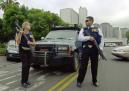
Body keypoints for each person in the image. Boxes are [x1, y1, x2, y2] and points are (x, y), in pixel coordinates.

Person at [77, 16, 104, 87]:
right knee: (83, 66)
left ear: (92, 21)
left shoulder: (97, 29)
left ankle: (94, 81)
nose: (86, 22)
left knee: (94, 66)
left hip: (95, 49)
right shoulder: (83, 29)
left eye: (87, 21)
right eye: (85, 21)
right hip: (85, 49)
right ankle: (79, 81)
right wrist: (88, 37)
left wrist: (100, 48)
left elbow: (101, 39)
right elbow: (80, 38)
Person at [16, 21, 35, 88]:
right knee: (24, 66)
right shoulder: (20, 32)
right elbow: (18, 42)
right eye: (28, 25)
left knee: (28, 66)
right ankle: (23, 82)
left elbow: (34, 43)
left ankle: (26, 80)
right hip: (23, 52)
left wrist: (30, 43)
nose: (30, 26)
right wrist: (20, 34)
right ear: (25, 26)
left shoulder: (30, 33)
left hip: (29, 52)